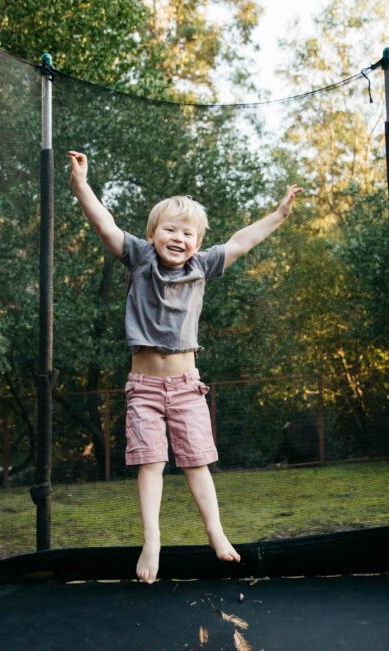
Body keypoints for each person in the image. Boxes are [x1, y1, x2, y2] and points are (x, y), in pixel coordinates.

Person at [68, 150, 302, 583]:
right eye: (170, 229)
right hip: (143, 388)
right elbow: (104, 223)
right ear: (153, 234)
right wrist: (81, 184)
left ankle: (216, 533)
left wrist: (278, 214)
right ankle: (152, 541)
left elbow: (243, 240)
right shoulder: (138, 259)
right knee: (150, 464)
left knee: (197, 463)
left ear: (197, 242)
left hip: (186, 387)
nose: (178, 237)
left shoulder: (203, 266)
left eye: (187, 232)